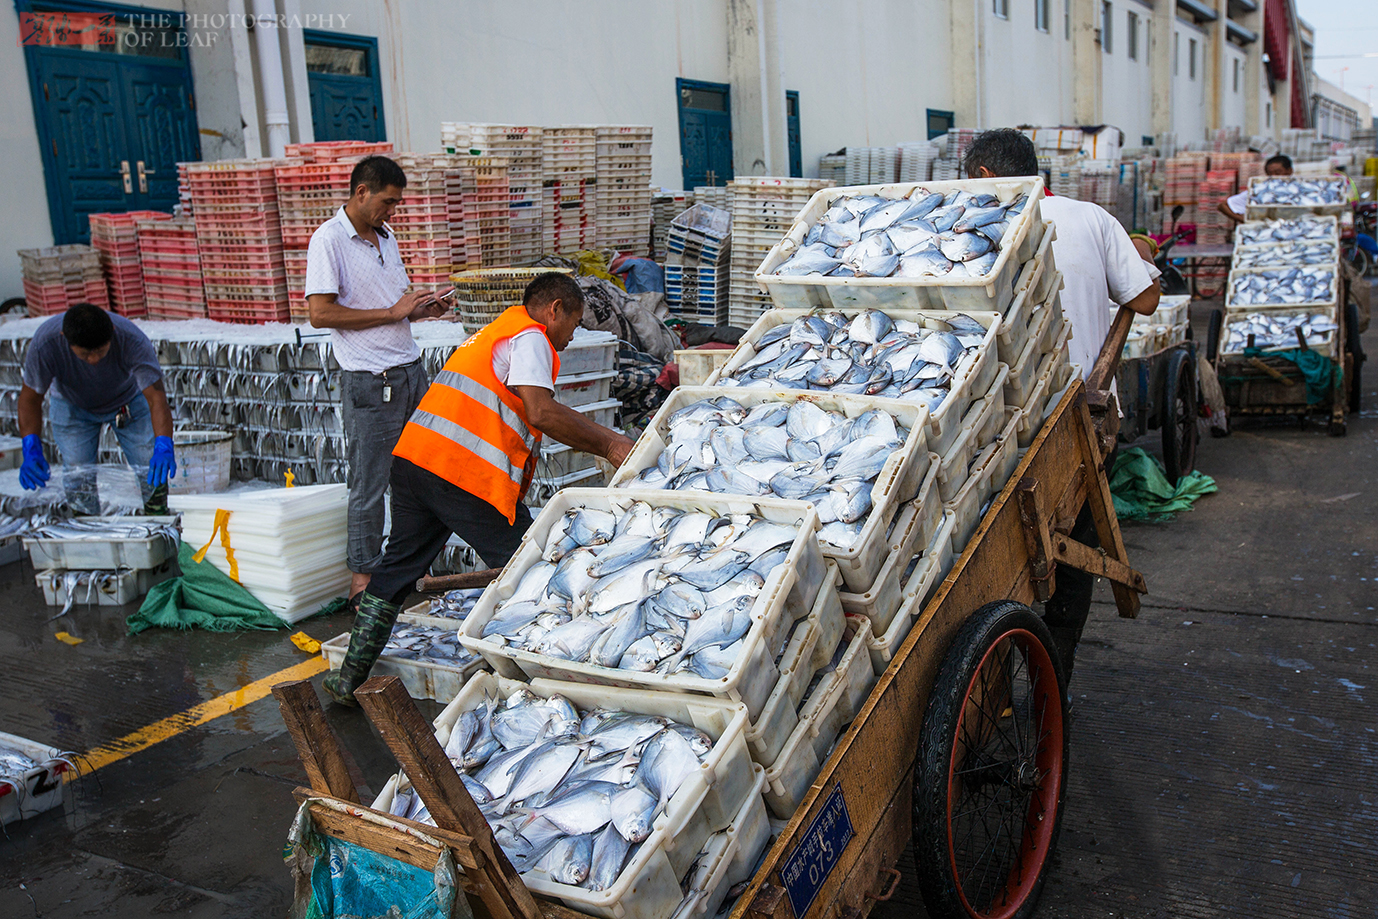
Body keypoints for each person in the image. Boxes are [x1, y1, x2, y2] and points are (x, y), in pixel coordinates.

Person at [323, 273, 637, 706]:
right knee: (527, 569)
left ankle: (347, 680)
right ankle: (547, 678)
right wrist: (610, 443)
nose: (572, 334)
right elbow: (541, 411)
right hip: (460, 473)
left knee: (395, 571)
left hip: (415, 461)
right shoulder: (530, 338)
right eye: (575, 321)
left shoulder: (494, 332)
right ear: (555, 310)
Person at [963, 128, 1161, 687]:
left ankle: (996, 679)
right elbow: (1144, 300)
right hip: (1082, 420)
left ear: (983, 178)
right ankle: (1055, 680)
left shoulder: (974, 227)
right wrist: (1135, 256)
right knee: (1072, 549)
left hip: (996, 425)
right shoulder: (1092, 219)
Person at [306, 155, 451, 614]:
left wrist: (419, 309)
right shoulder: (329, 240)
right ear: (362, 191)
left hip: (409, 369)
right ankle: (362, 578)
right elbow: (320, 313)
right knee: (370, 483)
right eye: (389, 202)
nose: (394, 211)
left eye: (398, 204)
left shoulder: (384, 237)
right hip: (372, 380)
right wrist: (392, 313)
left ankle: (413, 568)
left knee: (419, 476)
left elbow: (390, 306)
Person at [18, 303, 175, 514]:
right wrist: (30, 446)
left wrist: (163, 444)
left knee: (150, 466)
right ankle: (86, 529)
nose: (93, 360)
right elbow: (30, 398)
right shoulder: (46, 343)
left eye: (100, 352)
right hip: (71, 404)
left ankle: (157, 519)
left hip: (126, 401)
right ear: (65, 337)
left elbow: (156, 397)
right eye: (84, 354)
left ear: (111, 332)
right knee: (78, 474)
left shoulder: (132, 339)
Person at [1217, 154, 1293, 226]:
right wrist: (1247, 221)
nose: (1274, 176)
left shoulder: (1298, 189)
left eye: (1278, 172)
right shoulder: (1260, 190)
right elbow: (1223, 206)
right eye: (1270, 174)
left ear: (1289, 171)